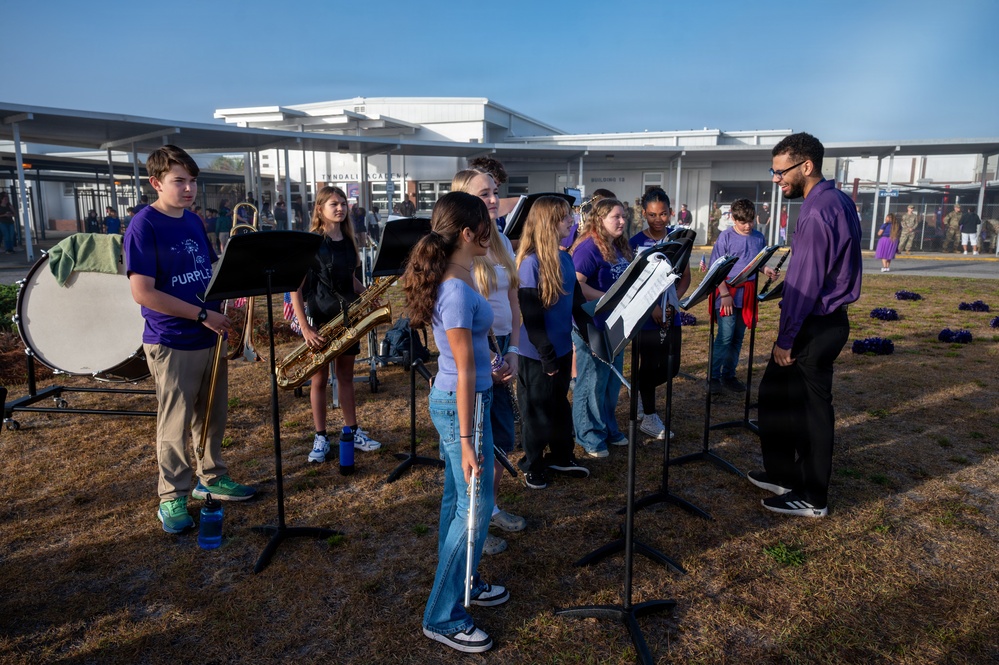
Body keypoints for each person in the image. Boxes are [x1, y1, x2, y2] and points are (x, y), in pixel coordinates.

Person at [123, 145, 256, 534]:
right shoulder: (143, 225)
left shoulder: (194, 222)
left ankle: (211, 476)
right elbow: (143, 292)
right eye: (179, 180)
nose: (188, 188)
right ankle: (172, 497)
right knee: (175, 422)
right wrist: (201, 314)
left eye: (192, 181)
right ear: (156, 183)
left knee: (212, 415)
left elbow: (203, 272)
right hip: (173, 338)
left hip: (208, 333)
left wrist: (234, 284)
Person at [402, 191, 509, 654]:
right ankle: (442, 615)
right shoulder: (455, 289)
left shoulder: (458, 281)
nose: (493, 233)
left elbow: (466, 357)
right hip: (465, 406)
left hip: (463, 397)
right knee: (476, 505)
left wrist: (492, 365)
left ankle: (465, 579)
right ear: (468, 233)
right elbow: (463, 370)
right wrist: (467, 440)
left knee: (456, 498)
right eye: (487, 225)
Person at [752, 132, 862, 518]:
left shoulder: (817, 211)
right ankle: (784, 474)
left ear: (806, 166)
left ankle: (813, 495)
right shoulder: (836, 200)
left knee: (811, 412)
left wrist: (786, 339)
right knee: (773, 396)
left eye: (780, 171)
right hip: (819, 321)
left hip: (814, 325)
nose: (776, 179)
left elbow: (810, 283)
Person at [452, 169, 524, 554]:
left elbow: (512, 300)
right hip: (479, 357)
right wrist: (489, 359)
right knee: (481, 448)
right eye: (485, 194)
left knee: (502, 443)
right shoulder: (460, 249)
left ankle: (489, 508)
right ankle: (473, 521)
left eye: (496, 192)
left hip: (502, 353)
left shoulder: (502, 241)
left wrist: (513, 349)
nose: (494, 199)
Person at [289, 186, 382, 462]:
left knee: (345, 377)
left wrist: (367, 295)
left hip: (347, 317)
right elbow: (296, 286)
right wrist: (305, 327)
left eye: (343, 203)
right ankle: (320, 437)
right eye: (333, 203)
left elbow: (349, 279)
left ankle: (352, 431)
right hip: (320, 319)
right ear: (320, 209)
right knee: (318, 380)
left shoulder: (349, 240)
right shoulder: (312, 242)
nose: (340, 208)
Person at [516, 196, 593, 490]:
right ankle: (533, 464)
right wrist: (546, 355)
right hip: (538, 354)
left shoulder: (566, 257)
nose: (571, 222)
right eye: (565, 218)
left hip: (562, 349)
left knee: (560, 407)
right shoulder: (530, 264)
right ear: (550, 223)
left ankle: (562, 455)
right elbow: (532, 319)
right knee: (537, 411)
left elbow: (577, 306)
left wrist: (592, 335)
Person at [570, 197, 633, 458]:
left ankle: (606, 426)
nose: (622, 221)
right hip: (591, 325)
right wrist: (608, 298)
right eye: (615, 217)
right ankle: (587, 433)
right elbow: (576, 285)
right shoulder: (588, 248)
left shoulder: (616, 245)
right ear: (600, 219)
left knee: (609, 382)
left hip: (614, 324)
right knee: (591, 381)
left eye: (623, 216)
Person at [629, 187, 691, 438]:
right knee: (649, 364)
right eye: (652, 214)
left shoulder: (679, 239)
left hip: (670, 314)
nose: (658, 219)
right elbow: (632, 282)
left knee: (671, 367)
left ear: (671, 212)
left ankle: (641, 392)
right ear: (644, 213)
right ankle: (649, 417)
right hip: (646, 317)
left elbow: (685, 276)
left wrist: (674, 301)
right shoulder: (635, 243)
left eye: (663, 214)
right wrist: (652, 307)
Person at [708, 199, 777, 394]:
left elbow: (758, 262)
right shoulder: (725, 237)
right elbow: (715, 268)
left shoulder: (758, 237)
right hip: (727, 293)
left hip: (746, 295)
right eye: (742, 222)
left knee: (738, 337)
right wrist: (724, 294)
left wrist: (767, 270)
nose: (747, 226)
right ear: (733, 218)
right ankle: (713, 377)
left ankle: (729, 376)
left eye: (750, 221)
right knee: (725, 336)